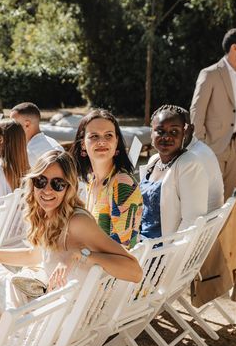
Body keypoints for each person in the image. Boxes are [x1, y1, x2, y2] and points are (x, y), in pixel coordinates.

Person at [0, 150, 142, 306]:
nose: (47, 190)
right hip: (50, 307)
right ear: (33, 184)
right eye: (41, 181)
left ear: (69, 188)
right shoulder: (48, 216)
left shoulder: (77, 222)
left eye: (57, 184)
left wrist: (81, 254)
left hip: (59, 317)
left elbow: (135, 271)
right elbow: (33, 255)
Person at [190, 28, 236, 198]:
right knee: (207, 199)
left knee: (226, 200)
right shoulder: (210, 73)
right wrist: (201, 145)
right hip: (211, 147)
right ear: (235, 47)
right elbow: (197, 111)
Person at [71, 109, 143, 248]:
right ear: (82, 144)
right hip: (92, 262)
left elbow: (122, 246)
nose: (102, 141)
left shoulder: (122, 183)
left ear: (116, 142)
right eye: (94, 136)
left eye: (108, 135)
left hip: (111, 266)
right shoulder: (91, 179)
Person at [140, 106, 209, 238]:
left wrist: (169, 256)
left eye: (174, 131)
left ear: (184, 134)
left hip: (161, 249)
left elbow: (192, 221)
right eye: (160, 131)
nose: (166, 137)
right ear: (151, 133)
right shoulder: (154, 161)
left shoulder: (189, 165)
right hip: (140, 241)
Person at [177, 105, 225, 212]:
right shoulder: (197, 148)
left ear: (192, 129)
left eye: (179, 130)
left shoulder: (193, 157)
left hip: (199, 222)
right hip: (205, 219)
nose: (170, 136)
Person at [9, 102, 63, 167]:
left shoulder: (29, 152)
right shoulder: (54, 143)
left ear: (27, 124)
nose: (9, 127)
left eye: (13, 124)